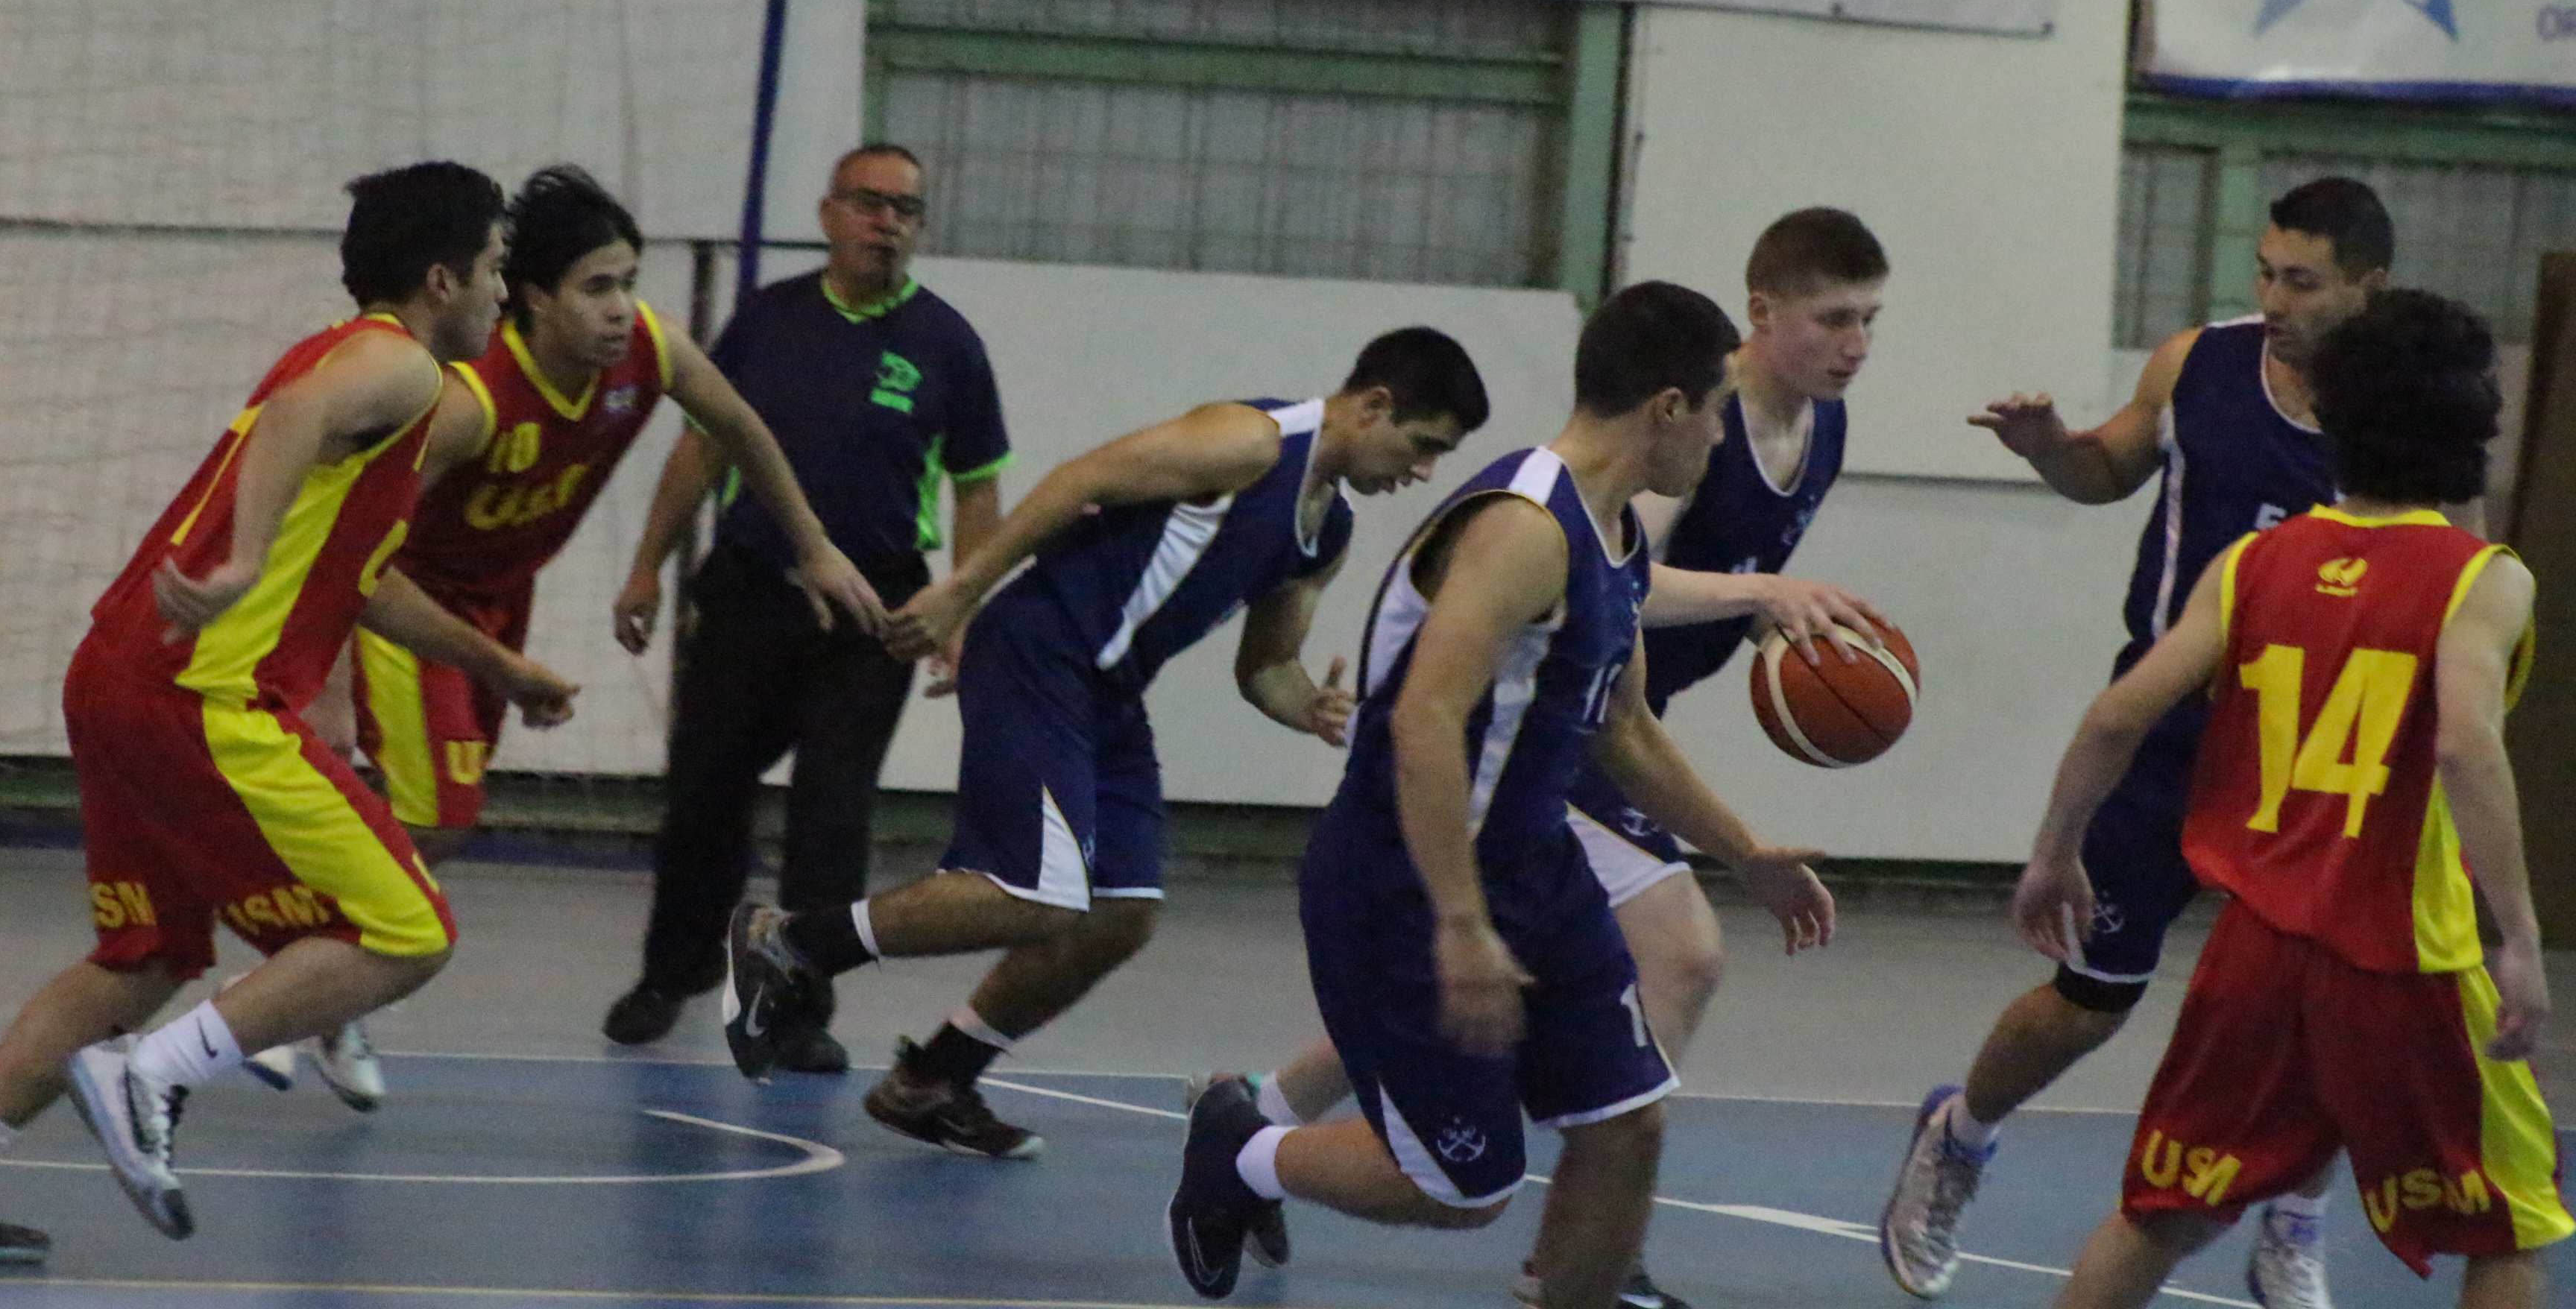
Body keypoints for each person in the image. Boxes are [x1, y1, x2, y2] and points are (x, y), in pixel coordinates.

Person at [1205, 209, 1889, 1309]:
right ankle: (1244, 1151)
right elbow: (1425, 720)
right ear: (1668, 409)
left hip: (1538, 868)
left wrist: (1745, 853)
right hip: (1402, 876)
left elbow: (1625, 729)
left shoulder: (1616, 530)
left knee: (1627, 1125)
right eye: (1716, 414)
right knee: (1463, 1190)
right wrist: (1460, 922)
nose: (1722, 440)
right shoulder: (1525, 525)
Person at [717, 328, 1491, 1163]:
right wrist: (962, 596)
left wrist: (1314, 709)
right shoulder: (1248, 442)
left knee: (1121, 915)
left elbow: (1267, 666)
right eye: (1423, 446)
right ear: (1374, 406)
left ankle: (934, 1079)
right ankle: (790, 942)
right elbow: (1081, 479)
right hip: (1041, 653)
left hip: (1109, 694)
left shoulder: (1327, 530)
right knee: (1038, 895)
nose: (1423, 472)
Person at [0, 162, 579, 1249]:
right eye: (497, 268)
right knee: (410, 931)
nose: (504, 293)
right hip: (201, 694)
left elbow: (360, 579)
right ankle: (151, 1076)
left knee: (144, 958)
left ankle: (133, 1064)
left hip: (120, 675)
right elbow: (297, 416)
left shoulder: (363, 375)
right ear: (443, 278)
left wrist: (497, 668)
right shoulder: (396, 363)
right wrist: (243, 561)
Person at [234, 166, 875, 1109]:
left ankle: (321, 966)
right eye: (596, 287)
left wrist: (813, 547)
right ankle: (305, 972)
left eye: (629, 282)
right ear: (534, 297)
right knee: (442, 815)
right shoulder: (472, 398)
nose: (621, 308)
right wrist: (324, 679)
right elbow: (347, 538)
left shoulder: (648, 350)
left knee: (439, 820)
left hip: (501, 602)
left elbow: (739, 423)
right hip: (405, 599)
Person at [1882, 177, 2395, 1305]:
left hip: (2314, 754)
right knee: (2089, 998)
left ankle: (2296, 1213)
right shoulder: (2197, 365)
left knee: (2332, 1004)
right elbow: (2105, 472)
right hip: (2169, 732)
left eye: (2304, 282)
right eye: (2266, 272)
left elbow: (2456, 565)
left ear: (2370, 287)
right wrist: (2047, 448)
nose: (2275, 299)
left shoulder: (2403, 407)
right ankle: (1961, 1134)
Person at [2011, 288, 2569, 1309]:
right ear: (2470, 430)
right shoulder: (2481, 580)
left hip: (2257, 954)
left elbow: (2116, 716)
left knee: (2163, 1212)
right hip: (2405, 958)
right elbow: (2463, 743)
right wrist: (2523, 938)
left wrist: (2055, 854)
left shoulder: (2252, 563)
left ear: (2334, 419)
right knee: (2507, 1228)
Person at [600, 144, 1009, 1071]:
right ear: (829, 214)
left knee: (832, 814)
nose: (886, 222)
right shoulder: (766, 321)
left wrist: (962, 611)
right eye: (868, 203)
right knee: (706, 793)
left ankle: (796, 1007)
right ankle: (672, 974)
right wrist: (647, 568)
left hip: (875, 612)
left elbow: (978, 489)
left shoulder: (948, 343)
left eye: (905, 209)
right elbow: (701, 451)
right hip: (751, 592)